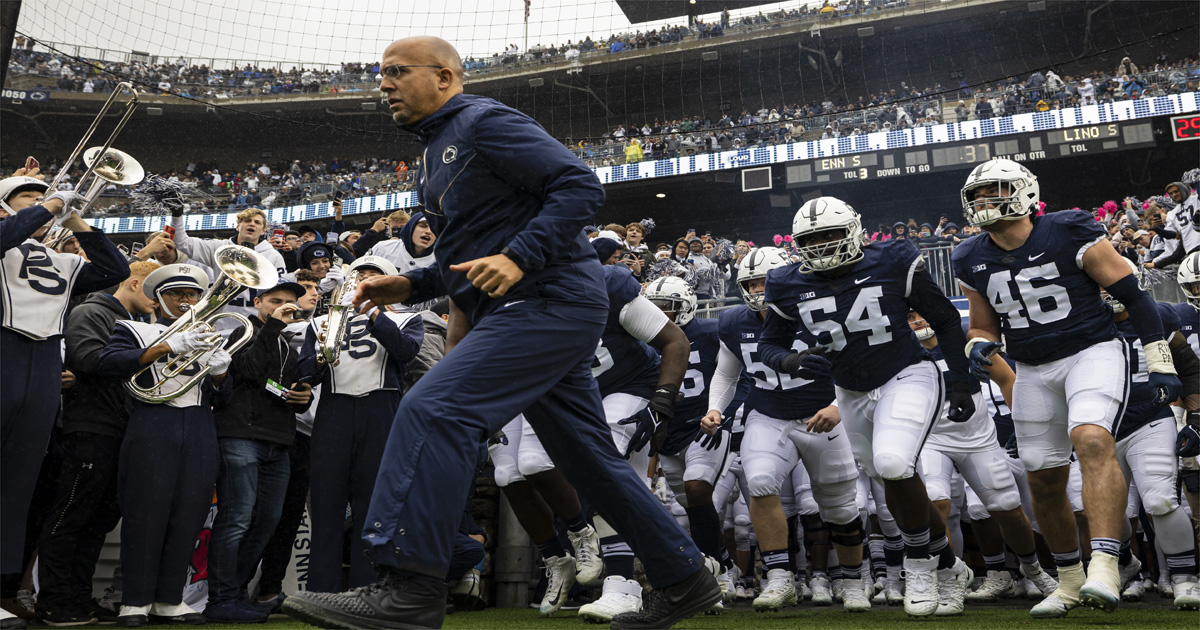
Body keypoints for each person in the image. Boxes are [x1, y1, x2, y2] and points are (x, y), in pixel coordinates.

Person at [282, 35, 719, 630]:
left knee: (432, 409)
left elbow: (580, 186)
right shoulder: (437, 151)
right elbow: (470, 254)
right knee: (589, 459)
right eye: (379, 73)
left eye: (395, 71)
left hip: (546, 301)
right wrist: (411, 284)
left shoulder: (483, 121)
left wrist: (519, 254)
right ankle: (686, 577)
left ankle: (410, 587)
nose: (382, 83)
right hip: (531, 306)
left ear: (444, 76)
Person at [950, 158, 1181, 618]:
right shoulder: (968, 255)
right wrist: (977, 346)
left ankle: (1106, 564)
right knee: (1043, 475)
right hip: (1032, 366)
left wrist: (1158, 358)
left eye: (993, 191)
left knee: (1092, 438)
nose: (983, 202)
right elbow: (981, 325)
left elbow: (1134, 296)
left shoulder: (1069, 228)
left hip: (1091, 352)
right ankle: (1070, 579)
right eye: (976, 195)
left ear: (1024, 193)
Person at [758, 197, 977, 618]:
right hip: (850, 391)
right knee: (891, 478)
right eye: (811, 239)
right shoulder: (786, 282)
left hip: (906, 373)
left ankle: (918, 566)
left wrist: (961, 382)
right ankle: (949, 567)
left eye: (829, 235)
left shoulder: (893, 259)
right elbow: (770, 343)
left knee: (894, 464)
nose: (821, 245)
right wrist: (791, 360)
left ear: (854, 232)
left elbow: (947, 319)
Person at [703, 248, 870, 613]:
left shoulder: (817, 311)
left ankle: (854, 580)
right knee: (760, 479)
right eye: (750, 282)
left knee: (840, 505)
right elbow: (727, 373)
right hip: (769, 414)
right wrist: (715, 408)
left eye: (764, 280)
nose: (757, 288)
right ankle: (780, 578)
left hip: (820, 415)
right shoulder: (733, 321)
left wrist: (838, 406)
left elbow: (861, 363)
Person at [0, 174, 129, 629]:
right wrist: (50, 205)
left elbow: (114, 270)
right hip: (5, 350)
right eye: (26, 197)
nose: (40, 202)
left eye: (42, 195)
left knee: (16, 485)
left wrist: (75, 218)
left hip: (40, 365)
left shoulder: (58, 258)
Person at [95, 264, 233, 627]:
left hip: (200, 424)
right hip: (153, 422)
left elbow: (226, 397)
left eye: (191, 295)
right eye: (176, 295)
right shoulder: (134, 328)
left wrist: (220, 371)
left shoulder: (208, 333)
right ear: (158, 299)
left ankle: (170, 599)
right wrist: (166, 346)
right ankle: (135, 601)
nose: (186, 301)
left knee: (190, 512)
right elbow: (108, 365)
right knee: (145, 512)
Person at [35, 261, 159, 626]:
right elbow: (87, 358)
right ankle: (54, 601)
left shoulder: (141, 321)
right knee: (72, 515)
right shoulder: (92, 310)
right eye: (156, 289)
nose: (160, 299)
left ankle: (78, 596)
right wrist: (150, 355)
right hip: (90, 427)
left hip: (120, 428)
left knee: (97, 521)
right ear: (134, 283)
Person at [906, 310, 1058, 602]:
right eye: (910, 314)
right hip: (930, 436)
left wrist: (1024, 426)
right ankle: (948, 578)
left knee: (1007, 507)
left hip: (976, 436)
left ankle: (1033, 570)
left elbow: (1007, 379)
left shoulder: (959, 335)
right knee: (937, 502)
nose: (918, 319)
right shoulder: (897, 346)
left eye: (921, 311)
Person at [297, 256, 425, 593]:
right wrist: (319, 355)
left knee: (373, 504)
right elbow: (305, 372)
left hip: (381, 407)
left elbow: (405, 352)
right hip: (334, 410)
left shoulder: (409, 318)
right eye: (359, 275)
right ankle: (320, 589)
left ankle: (366, 588)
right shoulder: (319, 322)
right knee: (326, 502)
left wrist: (373, 312)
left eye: (374, 275)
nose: (365, 279)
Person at [205, 279, 313, 623]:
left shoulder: (287, 345)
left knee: (267, 520)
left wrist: (304, 397)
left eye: (290, 302)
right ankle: (221, 598)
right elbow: (247, 370)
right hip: (239, 435)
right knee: (237, 518)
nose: (283, 306)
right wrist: (276, 325)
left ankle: (234, 593)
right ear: (257, 301)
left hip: (277, 440)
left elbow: (283, 391)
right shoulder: (239, 330)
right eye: (275, 301)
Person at [1097, 260, 1200, 609]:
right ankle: (1127, 565)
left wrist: (1196, 419)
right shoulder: (1080, 325)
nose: (1107, 292)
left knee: (1159, 499)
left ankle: (1186, 577)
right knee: (1105, 509)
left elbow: (1188, 368)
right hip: (1099, 425)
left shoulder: (1160, 315)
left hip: (1150, 419)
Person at [169, 206, 287, 325]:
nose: (252, 224)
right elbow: (182, 242)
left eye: (257, 222)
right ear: (237, 226)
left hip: (257, 324)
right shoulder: (219, 247)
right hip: (219, 323)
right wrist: (177, 216)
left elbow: (281, 292)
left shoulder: (273, 256)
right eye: (247, 221)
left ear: (263, 231)